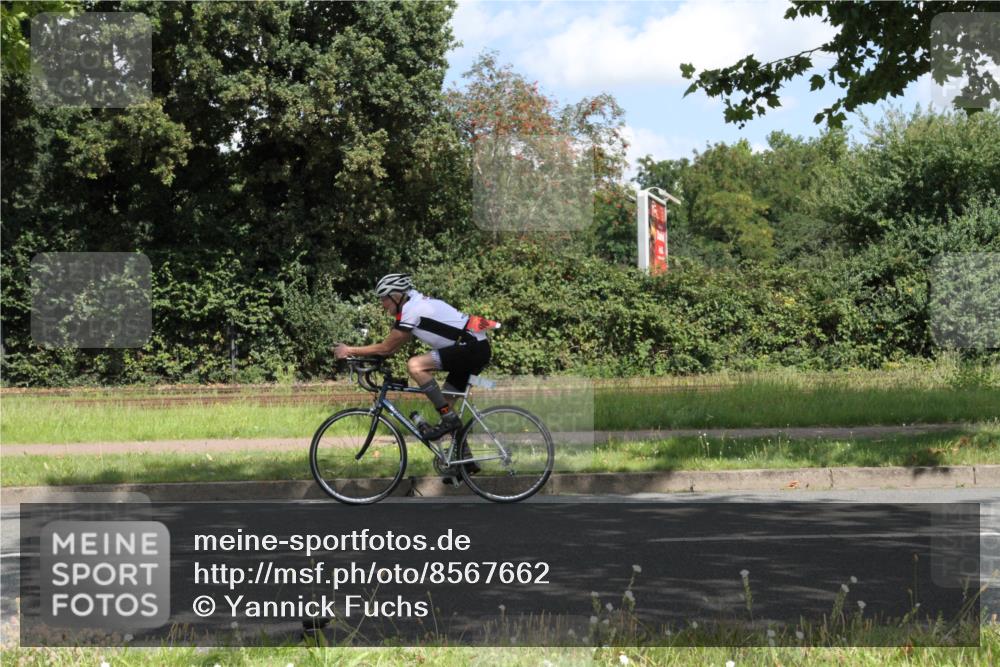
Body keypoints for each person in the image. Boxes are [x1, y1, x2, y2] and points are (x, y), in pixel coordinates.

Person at [333, 273, 496, 444]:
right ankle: (465, 462)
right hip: (472, 348)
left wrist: (349, 350)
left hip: (471, 348)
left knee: (415, 365)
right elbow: (392, 348)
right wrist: (368, 358)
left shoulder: (412, 309)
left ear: (396, 296)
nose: (382, 305)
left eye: (383, 299)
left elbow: (386, 347)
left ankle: (450, 420)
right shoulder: (413, 306)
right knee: (446, 408)